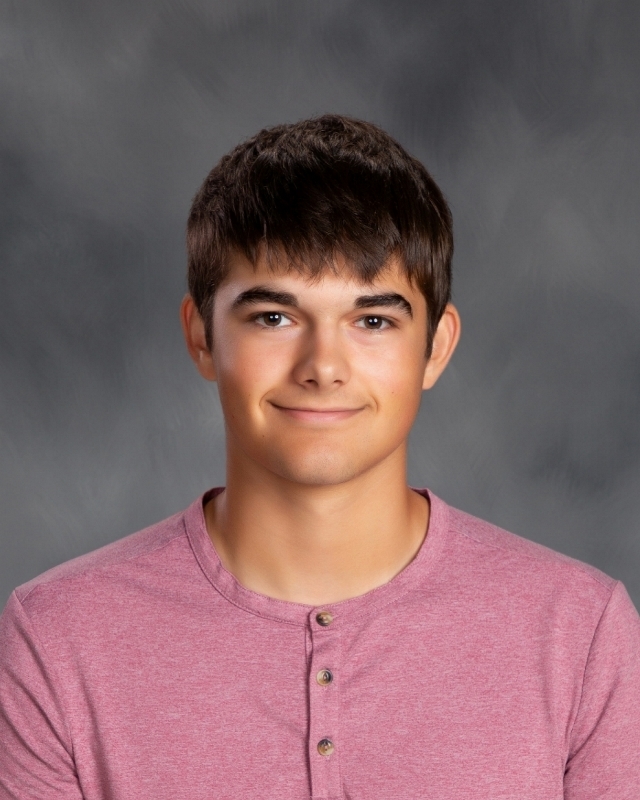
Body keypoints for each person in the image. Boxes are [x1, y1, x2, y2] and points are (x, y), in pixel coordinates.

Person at [0, 115, 639, 800]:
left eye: (373, 321)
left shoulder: (581, 633)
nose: (323, 367)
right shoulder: (57, 638)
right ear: (201, 337)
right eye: (274, 317)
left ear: (436, 348)